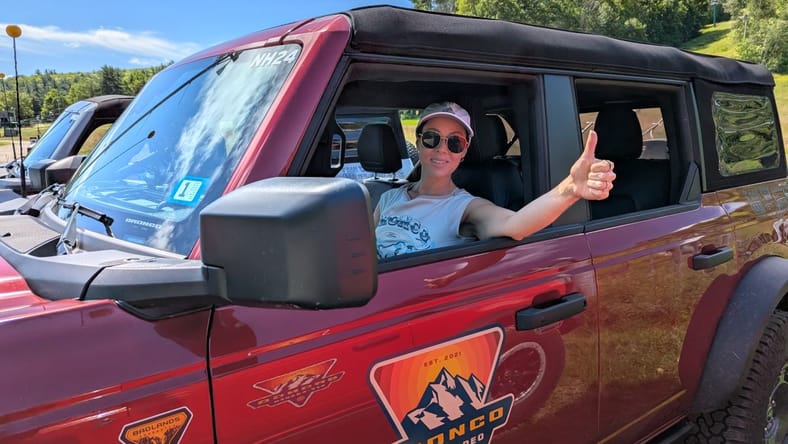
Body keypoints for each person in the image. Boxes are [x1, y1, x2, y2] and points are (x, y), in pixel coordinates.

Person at [374, 101, 616, 259]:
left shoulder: (465, 208)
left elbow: (515, 224)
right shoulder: (388, 198)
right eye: (431, 138)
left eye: (455, 141)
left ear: (464, 150)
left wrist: (570, 188)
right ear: (417, 141)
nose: (442, 149)